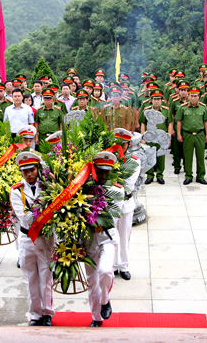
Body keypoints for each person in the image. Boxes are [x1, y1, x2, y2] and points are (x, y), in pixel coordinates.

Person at [10, 152, 54, 326]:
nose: (28, 174)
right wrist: (46, 211)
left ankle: (48, 313)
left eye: (32, 170)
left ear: (38, 169)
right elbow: (24, 217)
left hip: (45, 239)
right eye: (25, 171)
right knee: (30, 279)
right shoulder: (16, 191)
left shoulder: (48, 186)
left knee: (46, 277)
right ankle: (35, 314)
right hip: (27, 238)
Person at [85, 151, 121, 327]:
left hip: (106, 237)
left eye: (106, 171)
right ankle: (96, 318)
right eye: (100, 171)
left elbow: (109, 217)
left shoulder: (116, 190)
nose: (103, 175)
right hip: (89, 239)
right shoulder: (83, 187)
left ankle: (105, 300)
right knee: (92, 281)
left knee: (105, 271)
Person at [112, 128, 141, 280]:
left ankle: (123, 265)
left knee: (124, 235)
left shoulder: (134, 161)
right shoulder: (108, 159)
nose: (121, 147)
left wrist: (112, 181)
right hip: (111, 204)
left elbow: (128, 184)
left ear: (129, 144)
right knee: (111, 235)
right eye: (118, 143)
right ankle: (112, 265)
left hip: (125, 202)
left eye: (124, 144)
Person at [176, 87, 207, 185]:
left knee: (200, 156)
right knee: (188, 156)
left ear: (199, 97)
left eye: (195, 96)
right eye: (191, 96)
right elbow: (178, 121)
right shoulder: (183, 108)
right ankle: (188, 176)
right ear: (188, 96)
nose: (193, 98)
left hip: (200, 134)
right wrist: (179, 134)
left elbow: (206, 121)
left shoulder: (203, 107)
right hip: (188, 135)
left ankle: (200, 176)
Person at [139, 89, 172, 185]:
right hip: (149, 137)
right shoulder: (147, 111)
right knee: (149, 155)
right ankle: (149, 175)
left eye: (158, 99)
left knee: (161, 156)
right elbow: (142, 124)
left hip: (161, 138)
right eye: (154, 99)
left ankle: (160, 175)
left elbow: (170, 124)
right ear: (151, 100)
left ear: (162, 100)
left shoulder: (166, 111)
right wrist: (142, 137)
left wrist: (168, 138)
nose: (156, 101)